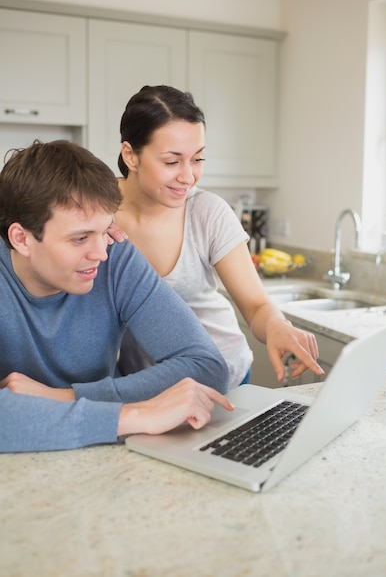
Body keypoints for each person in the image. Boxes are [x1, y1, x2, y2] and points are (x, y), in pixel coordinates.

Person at [0, 139, 233, 453]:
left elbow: (206, 367)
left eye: (105, 229)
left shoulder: (116, 255)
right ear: (21, 239)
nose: (101, 253)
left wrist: (65, 397)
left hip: (103, 459)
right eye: (80, 237)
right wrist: (132, 416)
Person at [113, 85, 324, 389]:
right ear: (130, 155)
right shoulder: (95, 213)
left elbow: (255, 305)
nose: (188, 176)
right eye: (172, 162)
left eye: (197, 159)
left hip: (221, 374)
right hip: (143, 385)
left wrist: (277, 325)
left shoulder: (208, 213)